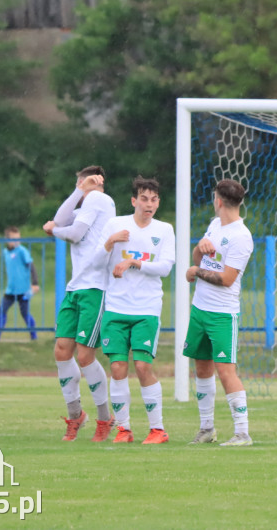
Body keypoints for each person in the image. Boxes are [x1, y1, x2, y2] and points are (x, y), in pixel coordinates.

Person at [94, 176, 175, 444]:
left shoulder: (164, 230)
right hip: (115, 309)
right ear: (133, 201)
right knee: (117, 368)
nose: (149, 204)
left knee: (142, 366)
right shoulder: (116, 225)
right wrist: (109, 243)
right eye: (143, 198)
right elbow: (95, 261)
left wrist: (133, 263)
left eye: (153, 199)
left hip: (146, 310)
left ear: (158, 202)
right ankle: (124, 429)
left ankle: (157, 430)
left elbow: (165, 267)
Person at [42, 166, 117, 442]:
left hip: (95, 288)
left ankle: (104, 417)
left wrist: (53, 230)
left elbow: (69, 233)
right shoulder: (85, 203)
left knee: (85, 356)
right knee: (62, 351)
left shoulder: (99, 200)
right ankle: (76, 416)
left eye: (86, 181)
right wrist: (77, 191)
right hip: (76, 288)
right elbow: (59, 220)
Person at [183, 179, 255, 446]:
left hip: (223, 314)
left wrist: (196, 272)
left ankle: (242, 433)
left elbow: (227, 279)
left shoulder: (241, 236)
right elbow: (198, 259)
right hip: (199, 309)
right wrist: (199, 248)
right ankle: (207, 429)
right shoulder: (215, 225)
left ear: (219, 201)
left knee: (226, 371)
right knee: (201, 367)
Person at [0, 226, 39, 341]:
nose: (17, 241)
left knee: (24, 313)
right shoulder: (5, 252)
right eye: (14, 239)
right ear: (7, 239)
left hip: (24, 290)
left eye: (18, 238)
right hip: (11, 289)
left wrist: (35, 283)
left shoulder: (22, 251)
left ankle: (34, 336)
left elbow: (31, 266)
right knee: (2, 309)